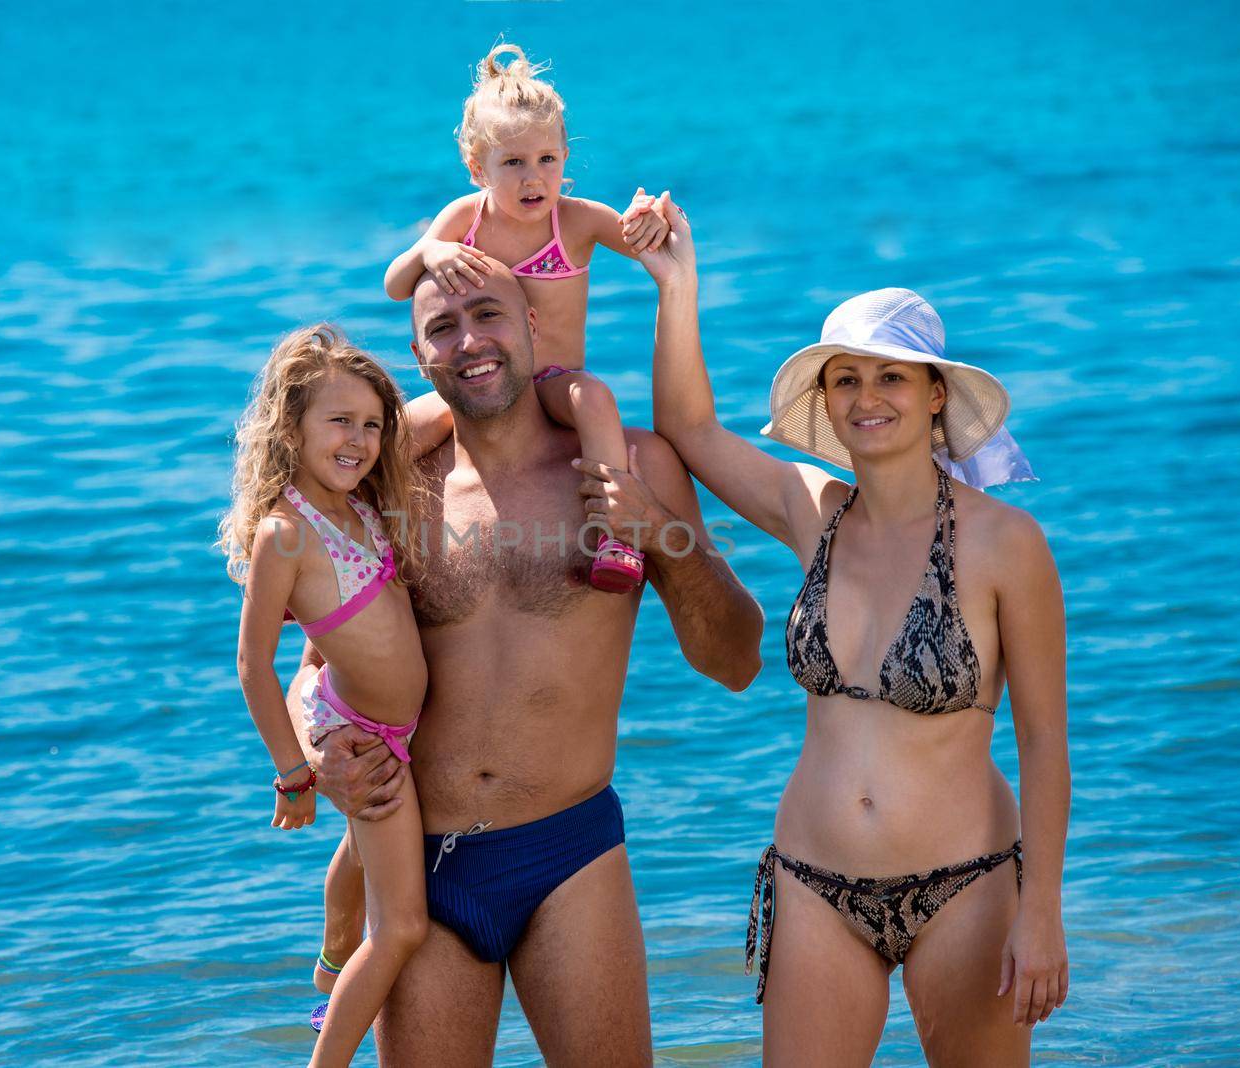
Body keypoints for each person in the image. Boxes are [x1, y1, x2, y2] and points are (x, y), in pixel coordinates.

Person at [296, 258, 764, 1065]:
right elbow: (314, 671)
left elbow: (734, 660)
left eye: (488, 314)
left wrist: (659, 534)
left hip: (570, 854)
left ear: (533, 327)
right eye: (443, 327)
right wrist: (318, 753)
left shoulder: (631, 466)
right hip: (422, 869)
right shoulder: (389, 491)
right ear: (418, 357)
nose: (470, 340)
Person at [635, 204, 1071, 1065]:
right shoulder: (814, 513)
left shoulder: (1005, 543)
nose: (867, 398)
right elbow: (689, 431)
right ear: (826, 403)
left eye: (892, 378)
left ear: (935, 393)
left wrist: (1042, 912)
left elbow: (1045, 745)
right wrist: (678, 283)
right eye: (847, 380)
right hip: (814, 887)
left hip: (967, 885)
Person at [384, 40, 672, 594]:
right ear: (478, 168)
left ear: (566, 156)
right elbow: (396, 285)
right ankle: (339, 544)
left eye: (546, 160)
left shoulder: (579, 222)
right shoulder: (464, 219)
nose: (531, 177)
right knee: (394, 433)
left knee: (597, 398)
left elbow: (647, 246)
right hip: (481, 384)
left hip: (550, 385)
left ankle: (616, 537)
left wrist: (648, 217)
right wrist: (429, 251)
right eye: (512, 163)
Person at [223, 325, 429, 1068]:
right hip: (365, 742)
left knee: (361, 863)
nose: (360, 440)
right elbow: (251, 663)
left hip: (394, 727)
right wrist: (293, 772)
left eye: (372, 424)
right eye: (339, 421)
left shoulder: (360, 504)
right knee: (402, 926)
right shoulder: (286, 531)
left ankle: (333, 961)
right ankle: (328, 1056)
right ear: (292, 426)